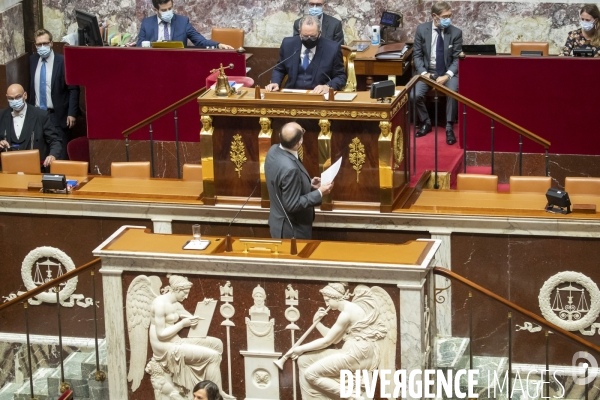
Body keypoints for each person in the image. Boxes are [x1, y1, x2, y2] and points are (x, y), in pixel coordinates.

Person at [264, 122, 333, 239]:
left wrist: (308, 183)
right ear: (299, 143)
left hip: (277, 223)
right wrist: (320, 192)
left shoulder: (273, 150)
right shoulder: (290, 169)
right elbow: (292, 204)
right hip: (292, 231)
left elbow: (282, 184)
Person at [410, 1, 462, 145]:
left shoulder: (456, 32)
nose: (448, 19)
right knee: (414, 95)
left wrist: (447, 76)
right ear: (435, 16)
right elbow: (417, 56)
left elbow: (457, 58)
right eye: (445, 16)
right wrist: (424, 73)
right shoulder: (422, 30)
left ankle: (449, 126)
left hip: (447, 72)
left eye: (450, 16)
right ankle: (425, 122)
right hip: (427, 71)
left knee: (453, 91)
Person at [28, 29, 79, 160]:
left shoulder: (62, 61)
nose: (42, 47)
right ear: (35, 45)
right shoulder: (33, 61)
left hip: (57, 116)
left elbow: (73, 89)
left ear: (51, 43)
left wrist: (71, 113)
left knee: (59, 156)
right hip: (38, 116)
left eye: (45, 43)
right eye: (39, 44)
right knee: (41, 157)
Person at [266, 16, 347, 95]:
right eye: (305, 36)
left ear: (319, 33)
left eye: (312, 36)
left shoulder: (332, 48)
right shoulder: (288, 44)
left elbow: (340, 76)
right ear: (299, 32)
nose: (309, 39)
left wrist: (327, 86)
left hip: (319, 96)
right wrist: (275, 82)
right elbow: (279, 69)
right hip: (292, 94)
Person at [0, 84, 62, 170]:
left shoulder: (41, 115)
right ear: (7, 98)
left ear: (25, 95)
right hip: (9, 169)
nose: (14, 101)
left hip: (35, 169)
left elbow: (55, 140)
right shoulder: (1, 115)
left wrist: (52, 155)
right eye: (11, 98)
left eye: (18, 97)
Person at [136, 0, 234, 49]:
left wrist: (218, 45)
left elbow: (200, 41)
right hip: (154, 65)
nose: (168, 12)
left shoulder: (182, 22)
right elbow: (139, 47)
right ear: (155, 10)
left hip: (178, 65)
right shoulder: (146, 23)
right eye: (164, 10)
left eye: (170, 8)